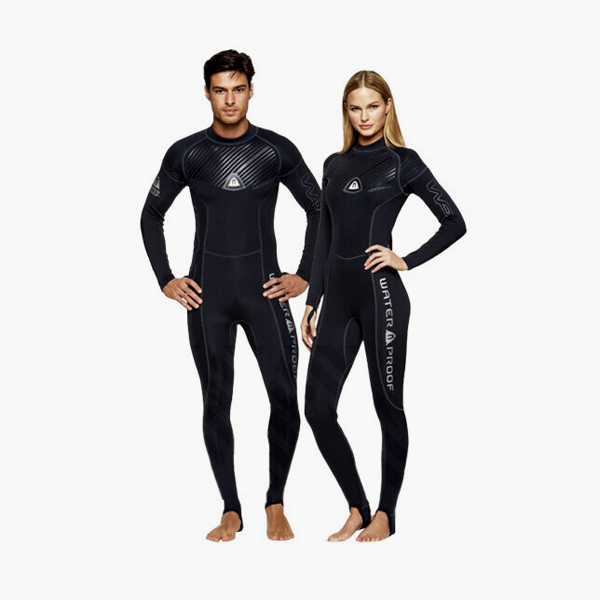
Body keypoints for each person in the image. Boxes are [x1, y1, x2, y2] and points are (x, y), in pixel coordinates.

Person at [141, 50, 320, 542]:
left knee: (285, 397)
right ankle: (230, 509)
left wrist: (304, 274)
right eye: (220, 90)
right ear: (206, 93)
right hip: (208, 299)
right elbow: (151, 214)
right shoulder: (187, 153)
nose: (229, 99)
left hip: (266, 293)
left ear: (251, 91)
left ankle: (275, 501)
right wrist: (166, 278)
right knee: (216, 402)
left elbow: (318, 207)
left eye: (238, 89)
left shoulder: (275, 150)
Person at [301, 70, 466, 542]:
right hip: (337, 301)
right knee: (317, 409)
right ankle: (357, 506)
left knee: (387, 405)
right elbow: (325, 234)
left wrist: (405, 259)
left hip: (382, 298)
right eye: (355, 108)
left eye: (372, 106)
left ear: (388, 106)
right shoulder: (333, 164)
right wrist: (312, 301)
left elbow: (454, 222)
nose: (364, 116)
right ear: (346, 111)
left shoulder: (402, 163)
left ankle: (386, 514)